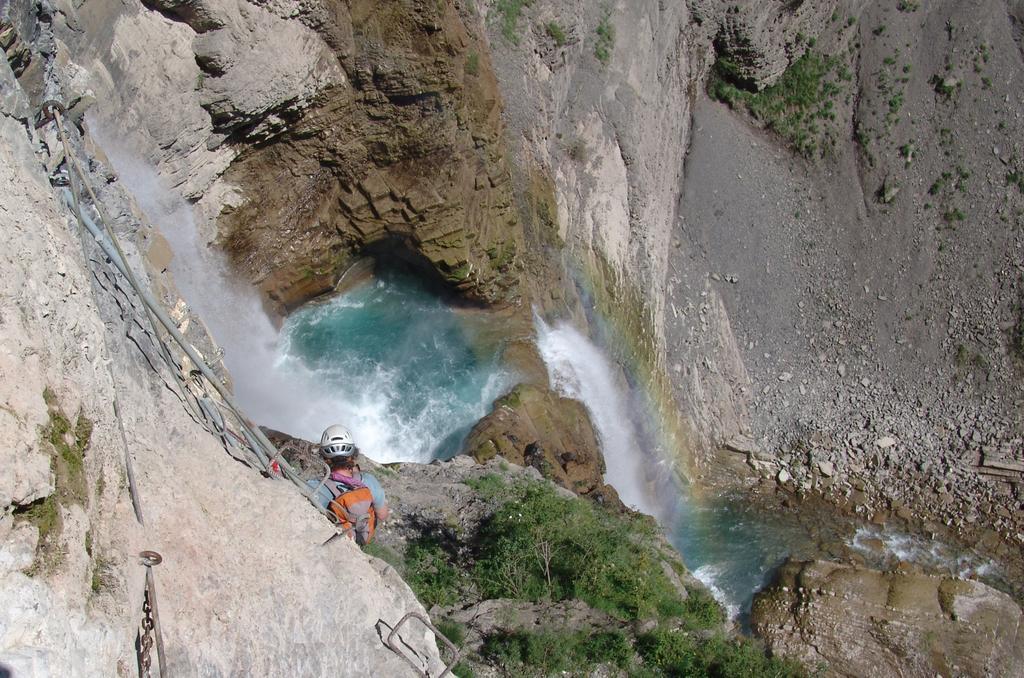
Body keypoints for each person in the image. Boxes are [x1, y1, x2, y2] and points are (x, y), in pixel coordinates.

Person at [314, 424, 389, 545]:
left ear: (324, 457)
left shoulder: (316, 486)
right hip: (361, 538)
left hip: (336, 541)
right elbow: (383, 515)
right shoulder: (369, 481)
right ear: (353, 454)